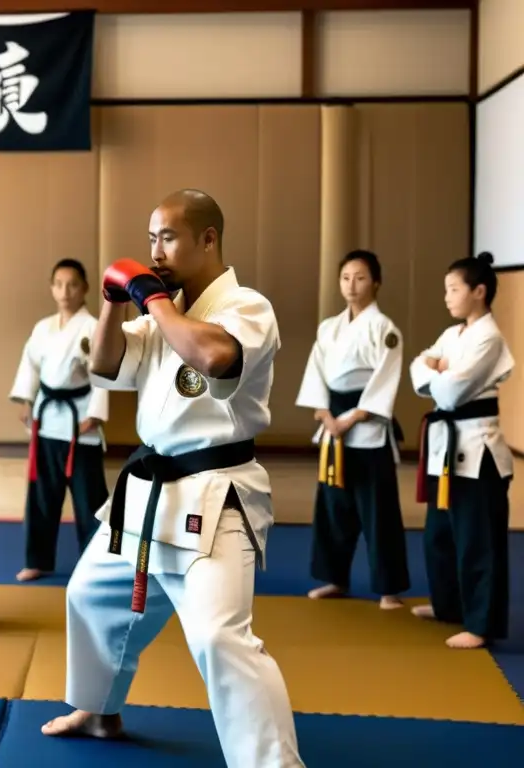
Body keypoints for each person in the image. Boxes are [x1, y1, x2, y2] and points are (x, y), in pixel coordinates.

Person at [41, 189, 305, 768]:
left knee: (219, 637)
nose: (155, 250)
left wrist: (156, 302)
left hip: (215, 496)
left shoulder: (245, 307)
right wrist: (114, 302)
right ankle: (99, 710)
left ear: (208, 239)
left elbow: (213, 359)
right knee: (90, 594)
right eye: (151, 238)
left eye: (168, 237)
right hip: (147, 493)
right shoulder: (163, 311)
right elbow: (106, 365)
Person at [408, 251, 513, 650]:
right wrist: (436, 368)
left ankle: (481, 622)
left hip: (478, 450)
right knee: (440, 533)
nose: (448, 297)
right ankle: (448, 604)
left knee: (477, 539)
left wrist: (438, 372)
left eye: (454, 289)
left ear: (479, 291)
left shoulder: (489, 338)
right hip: (446, 450)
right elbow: (418, 367)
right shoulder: (454, 336)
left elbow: (452, 393)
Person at [296, 250, 410, 610]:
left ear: (376, 282)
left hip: (368, 424)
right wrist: (325, 413)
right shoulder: (328, 327)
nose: (352, 285)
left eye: (360, 277)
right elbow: (316, 372)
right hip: (334, 424)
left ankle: (389, 587)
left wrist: (353, 417)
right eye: (345, 277)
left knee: (378, 510)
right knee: (334, 507)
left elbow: (385, 379)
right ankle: (336, 578)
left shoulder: (385, 329)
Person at [9, 258, 109, 582]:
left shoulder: (93, 327)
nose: (65, 291)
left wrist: (95, 413)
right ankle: (37, 560)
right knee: (41, 495)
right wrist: (26, 398)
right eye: (59, 284)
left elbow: (103, 374)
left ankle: (96, 565)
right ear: (52, 288)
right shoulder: (43, 327)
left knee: (89, 499)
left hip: (80, 423)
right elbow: (30, 366)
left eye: (73, 284)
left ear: (85, 289)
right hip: (48, 418)